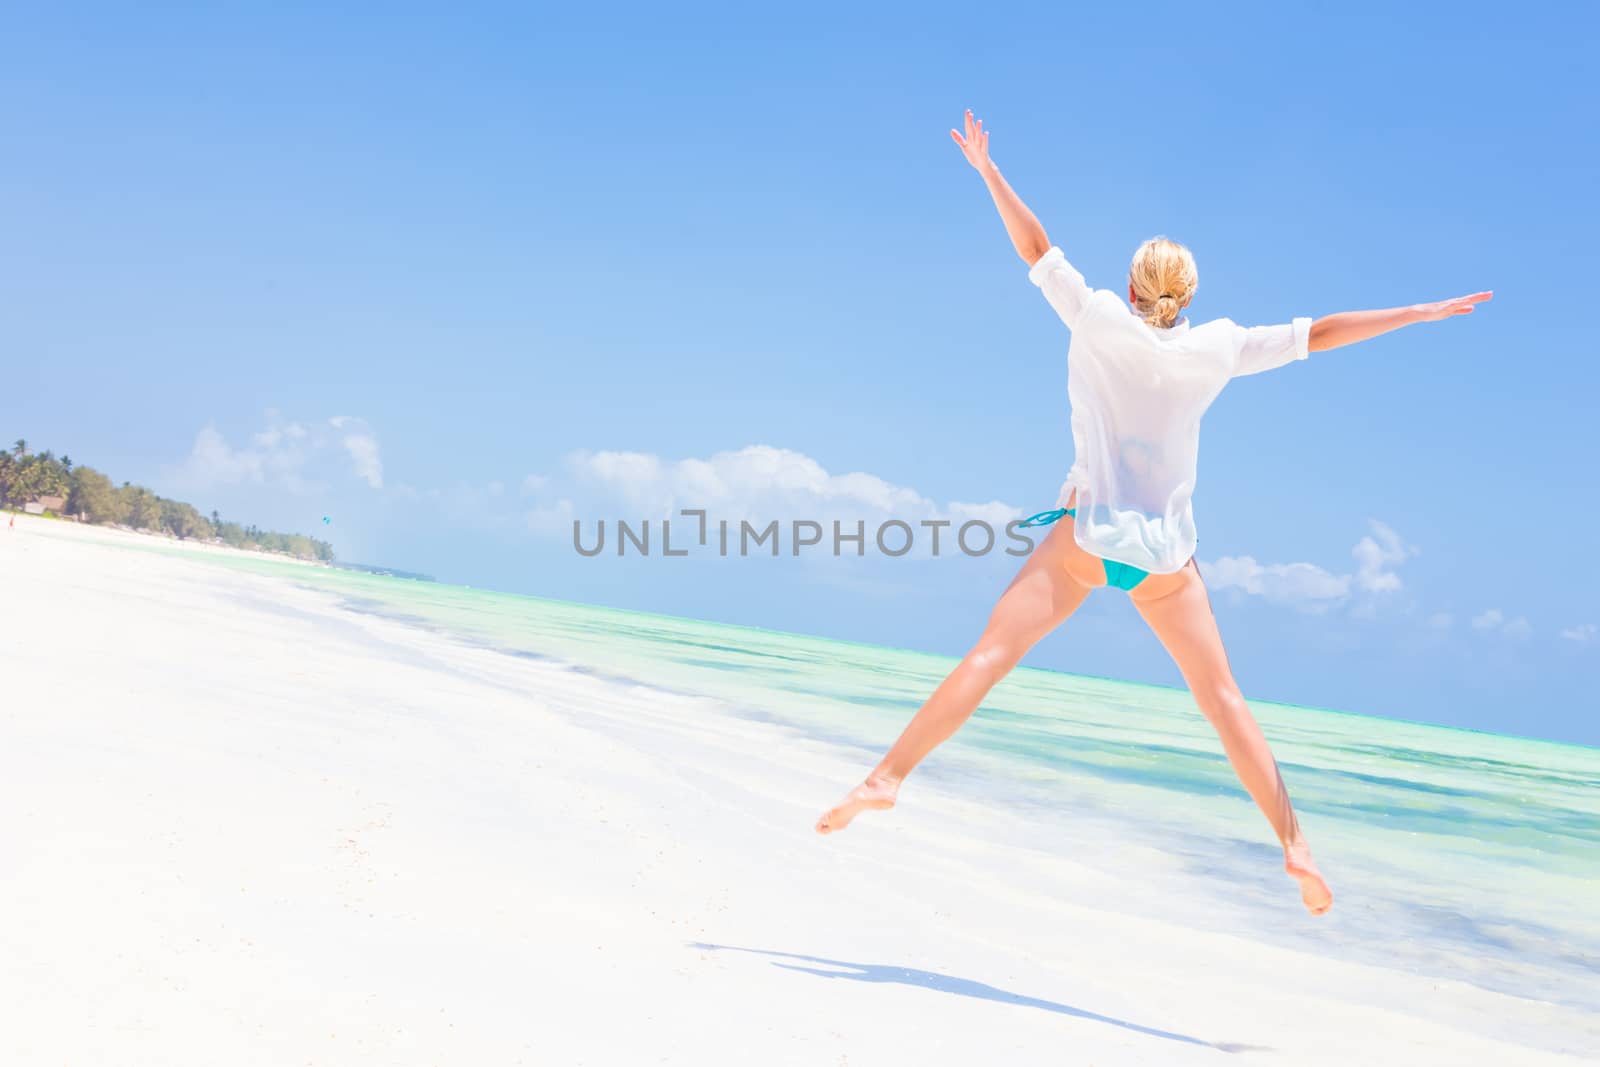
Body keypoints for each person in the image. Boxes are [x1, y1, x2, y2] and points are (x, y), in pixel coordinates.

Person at [815, 110, 1491, 916]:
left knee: (990, 656)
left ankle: (887, 776)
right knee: (1223, 698)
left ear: (1134, 288)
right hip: (1166, 558)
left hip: (1085, 539)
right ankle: (1294, 842)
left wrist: (987, 170)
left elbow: (1036, 249)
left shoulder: (1097, 315)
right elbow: (1322, 333)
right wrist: (1416, 314)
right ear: (1187, 297)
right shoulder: (1223, 346)